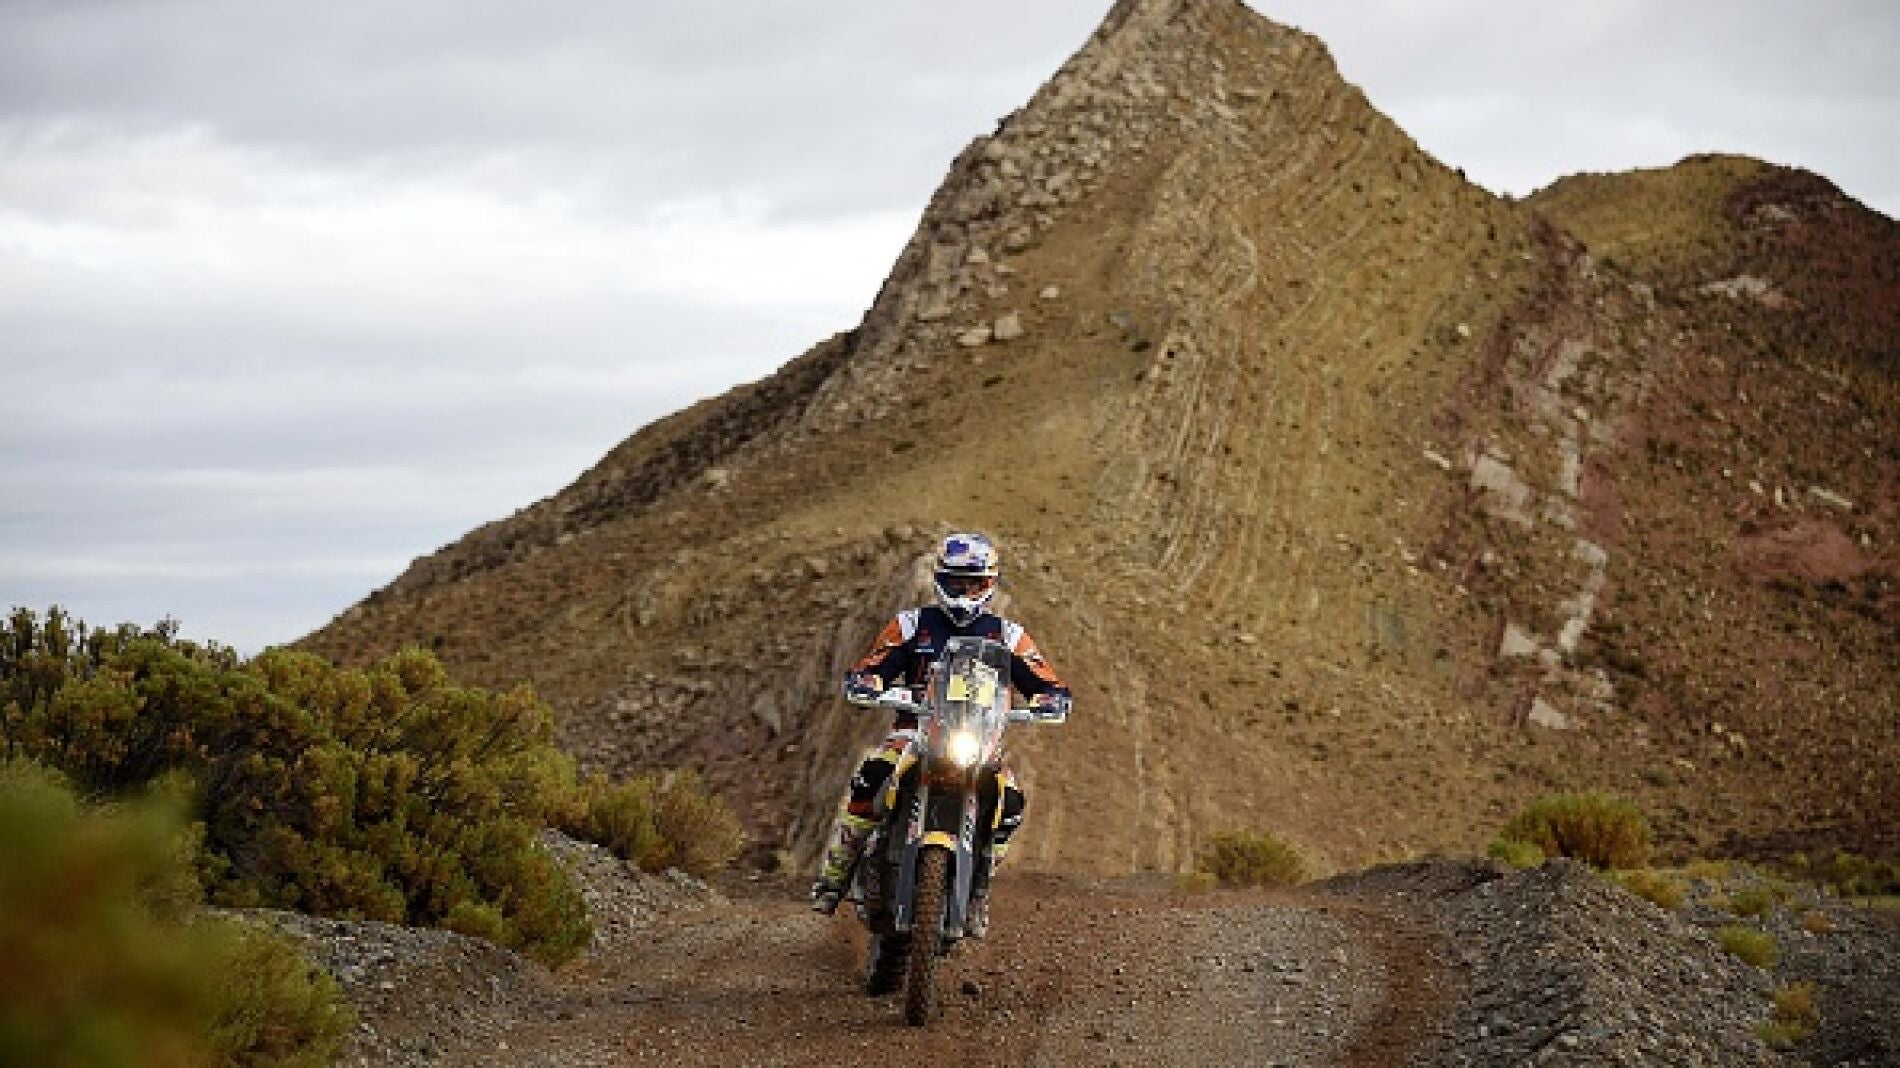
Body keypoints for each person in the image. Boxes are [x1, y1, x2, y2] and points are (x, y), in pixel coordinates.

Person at [809, 532, 1072, 937]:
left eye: (975, 584)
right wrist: (867, 681)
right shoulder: (911, 625)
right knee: (872, 777)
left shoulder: (1008, 636)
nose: (965, 592)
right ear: (940, 580)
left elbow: (1043, 679)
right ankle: (835, 875)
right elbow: (875, 664)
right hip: (913, 732)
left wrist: (1051, 698)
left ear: (990, 584)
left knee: (1012, 803)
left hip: (978, 739)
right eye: (956, 582)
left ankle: (980, 887)